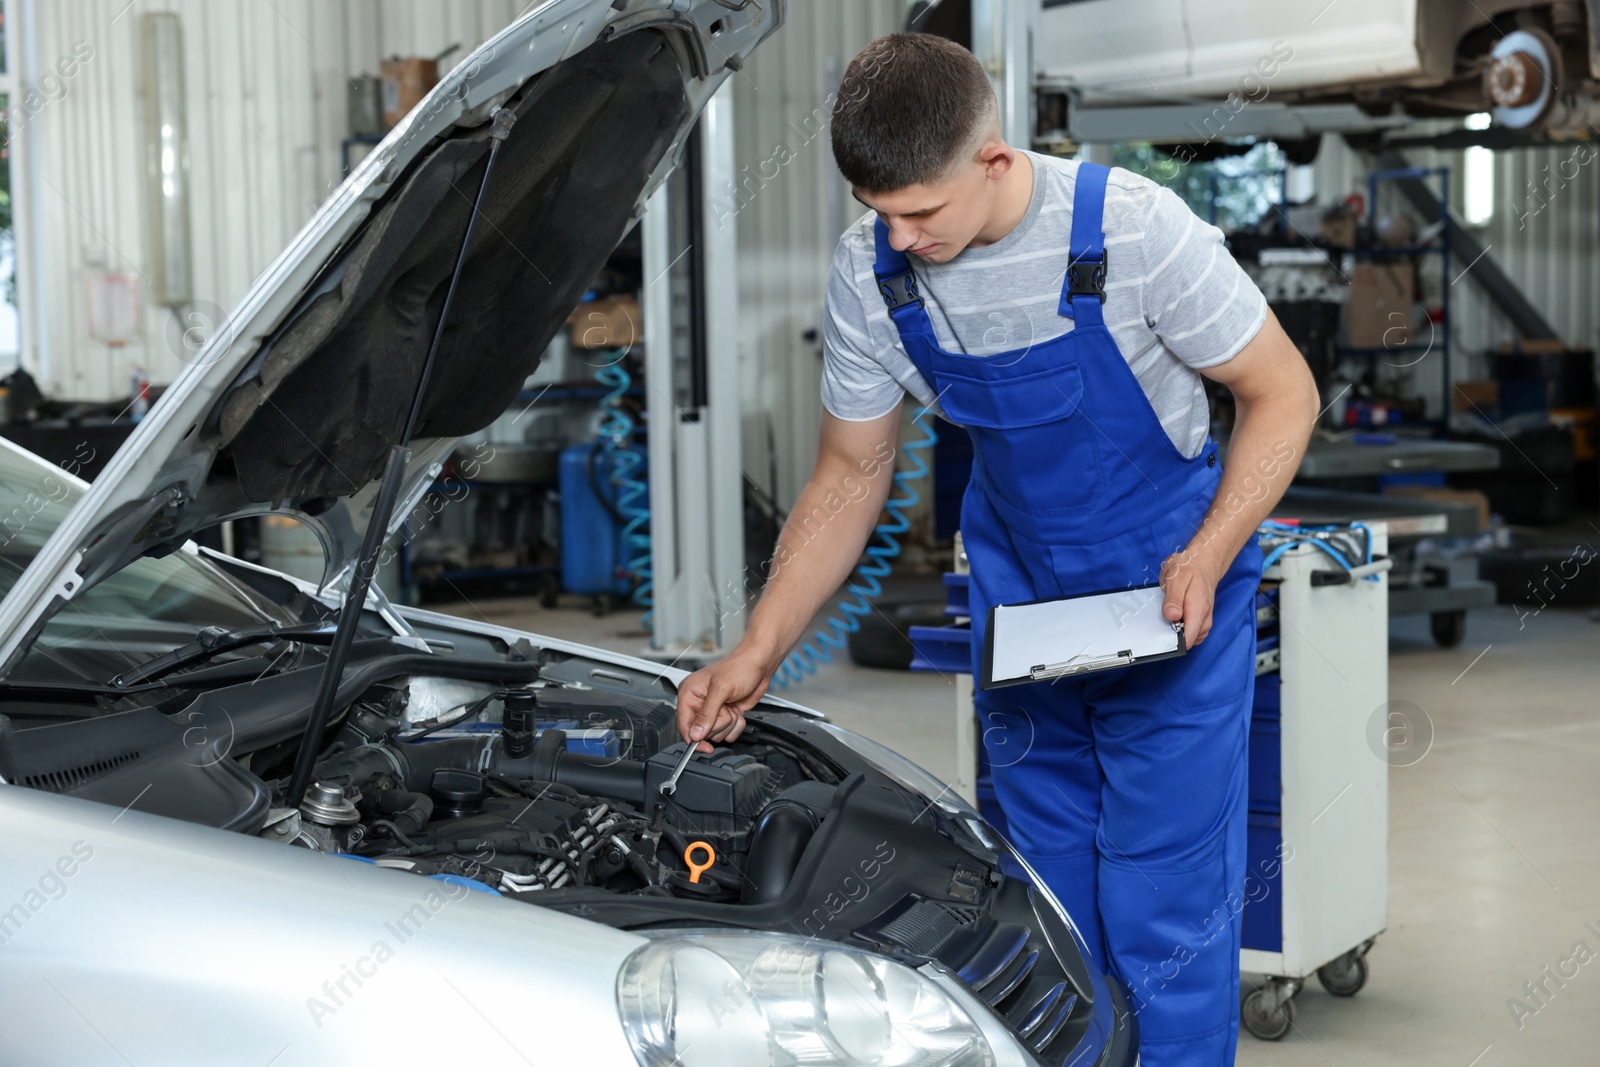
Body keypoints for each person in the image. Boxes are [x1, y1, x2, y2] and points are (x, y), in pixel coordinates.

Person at [675, 32, 1319, 1066]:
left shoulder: (1134, 230)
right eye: (878, 212)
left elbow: (1282, 392)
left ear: (994, 158)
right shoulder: (869, 270)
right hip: (1026, 611)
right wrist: (759, 644)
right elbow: (849, 470)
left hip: (1172, 596)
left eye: (921, 211)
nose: (901, 236)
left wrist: (1211, 548)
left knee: (1161, 892)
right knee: (1042, 891)